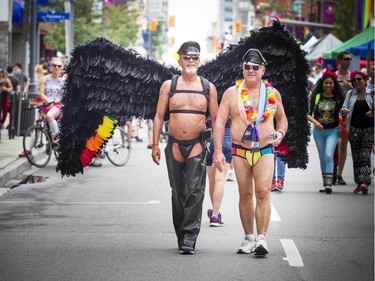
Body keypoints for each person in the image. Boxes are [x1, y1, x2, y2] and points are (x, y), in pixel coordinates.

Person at [213, 48, 288, 256]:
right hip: (240, 150)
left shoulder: (272, 93)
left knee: (263, 192)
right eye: (247, 67)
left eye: (255, 67)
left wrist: (280, 132)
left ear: (263, 70)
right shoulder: (231, 93)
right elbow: (219, 122)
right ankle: (248, 237)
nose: (251, 70)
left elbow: (282, 119)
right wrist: (218, 150)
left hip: (264, 149)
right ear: (242, 69)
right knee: (245, 194)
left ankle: (262, 238)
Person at [151, 41, 218, 255]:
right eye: (187, 57)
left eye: (195, 57)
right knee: (178, 191)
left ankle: (189, 236)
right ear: (179, 59)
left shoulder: (208, 88)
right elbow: (159, 116)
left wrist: (217, 150)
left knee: (195, 191)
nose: (191, 61)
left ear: (200, 61)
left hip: (198, 144)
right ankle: (181, 231)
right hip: (174, 146)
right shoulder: (168, 86)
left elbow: (216, 120)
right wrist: (154, 144)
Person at [307, 71, 345, 193]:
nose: (328, 85)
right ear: (322, 84)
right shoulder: (317, 96)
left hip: (332, 131)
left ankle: (329, 184)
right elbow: (307, 114)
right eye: (326, 83)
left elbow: (344, 113)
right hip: (318, 133)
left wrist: (342, 123)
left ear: (334, 84)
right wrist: (316, 123)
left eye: (330, 83)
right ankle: (325, 183)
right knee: (323, 158)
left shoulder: (338, 98)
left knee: (329, 155)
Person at [19, 57, 64, 157]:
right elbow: (41, 93)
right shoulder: (44, 79)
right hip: (46, 104)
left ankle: (56, 138)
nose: (56, 67)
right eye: (54, 65)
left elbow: (65, 96)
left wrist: (54, 101)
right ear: (50, 67)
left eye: (59, 66)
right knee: (39, 126)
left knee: (49, 116)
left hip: (58, 104)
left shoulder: (63, 81)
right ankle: (28, 150)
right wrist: (49, 101)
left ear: (62, 68)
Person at [341, 71, 374, 194]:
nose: (356, 82)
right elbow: (343, 109)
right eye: (354, 80)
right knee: (356, 157)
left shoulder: (372, 94)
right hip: (354, 130)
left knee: (365, 156)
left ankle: (365, 182)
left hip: (369, 130)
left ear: (365, 81)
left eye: (359, 79)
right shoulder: (350, 94)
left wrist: (372, 113)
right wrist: (344, 111)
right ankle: (359, 183)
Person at [206, 118, 232, 226]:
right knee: (220, 180)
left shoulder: (210, 100)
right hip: (226, 135)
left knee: (212, 181)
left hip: (210, 136)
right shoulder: (232, 100)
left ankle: (214, 211)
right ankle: (215, 215)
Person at [334, 51, 353, 185]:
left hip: (348, 114)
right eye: (346, 59)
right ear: (339, 61)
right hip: (335, 113)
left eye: (350, 59)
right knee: (336, 144)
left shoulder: (354, 77)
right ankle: (333, 170)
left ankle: (339, 174)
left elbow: (359, 93)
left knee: (343, 144)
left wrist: (350, 87)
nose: (349, 61)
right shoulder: (334, 76)